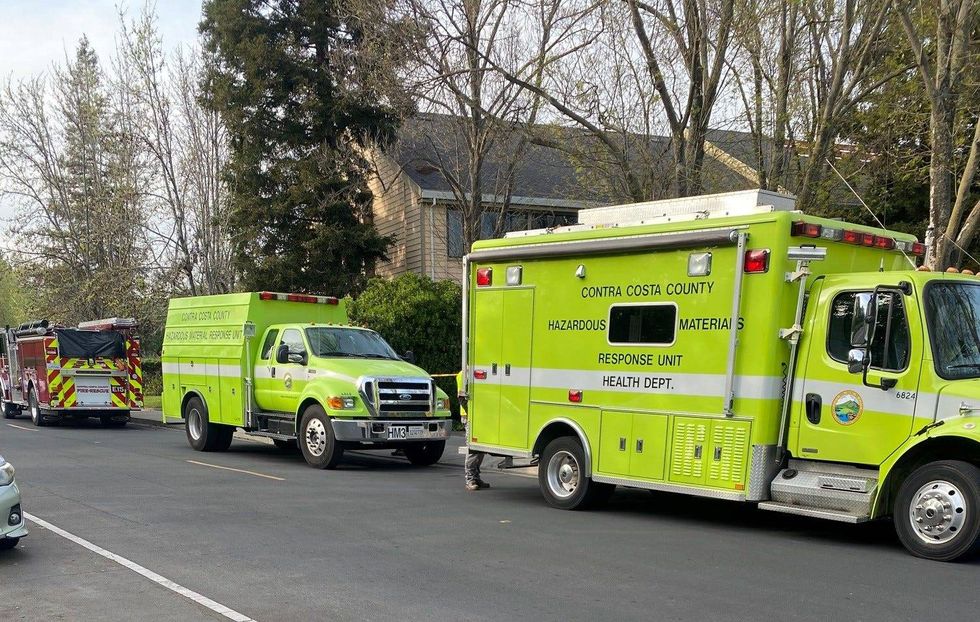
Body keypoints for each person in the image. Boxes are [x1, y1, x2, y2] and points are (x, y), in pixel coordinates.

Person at [459, 371, 490, 491]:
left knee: (480, 448)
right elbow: (462, 397)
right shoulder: (463, 374)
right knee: (473, 449)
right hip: (469, 417)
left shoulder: (474, 372)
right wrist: (472, 414)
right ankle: (470, 479)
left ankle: (476, 477)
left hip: (477, 416)